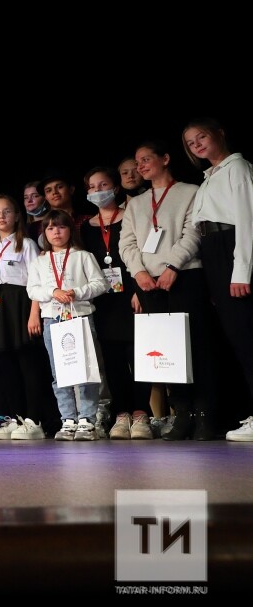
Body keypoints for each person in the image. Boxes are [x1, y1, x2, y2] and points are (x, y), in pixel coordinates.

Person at [119, 139, 216, 440]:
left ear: (165, 159)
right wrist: (138, 272)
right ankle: (181, 413)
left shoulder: (190, 191)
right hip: (148, 282)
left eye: (146, 159)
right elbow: (127, 244)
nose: (140, 166)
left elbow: (193, 232)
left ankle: (205, 414)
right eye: (137, 162)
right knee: (167, 351)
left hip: (184, 276)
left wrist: (173, 266)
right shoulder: (136, 204)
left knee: (196, 345)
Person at [182, 117, 253, 442]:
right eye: (190, 142)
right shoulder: (209, 176)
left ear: (219, 134)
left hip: (231, 246)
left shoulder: (237, 168)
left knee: (246, 335)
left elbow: (247, 221)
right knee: (234, 338)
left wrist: (241, 270)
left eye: (202, 137)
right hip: (213, 252)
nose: (197, 145)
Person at [0, 194, 54, 441]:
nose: (1, 216)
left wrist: (34, 314)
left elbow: (36, 281)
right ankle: (16, 417)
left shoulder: (26, 244)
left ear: (17, 215)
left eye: (6, 211)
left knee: (27, 363)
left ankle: (34, 419)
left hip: (20, 306)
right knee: (5, 364)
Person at [28, 209, 109, 441]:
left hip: (80, 317)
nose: (56, 232)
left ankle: (87, 419)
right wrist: (53, 291)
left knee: (85, 370)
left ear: (70, 230)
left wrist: (77, 292)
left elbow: (101, 284)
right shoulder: (39, 261)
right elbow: (32, 290)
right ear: (44, 233)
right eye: (50, 228)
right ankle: (68, 419)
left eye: (61, 227)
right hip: (53, 320)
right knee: (60, 373)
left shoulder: (82, 256)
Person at [80, 166, 149, 440]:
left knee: (138, 355)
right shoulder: (85, 228)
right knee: (113, 359)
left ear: (116, 187)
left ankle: (141, 413)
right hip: (103, 299)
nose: (97, 190)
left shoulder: (131, 216)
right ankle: (121, 414)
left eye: (103, 185)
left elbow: (141, 253)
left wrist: (139, 290)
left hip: (132, 294)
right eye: (92, 186)